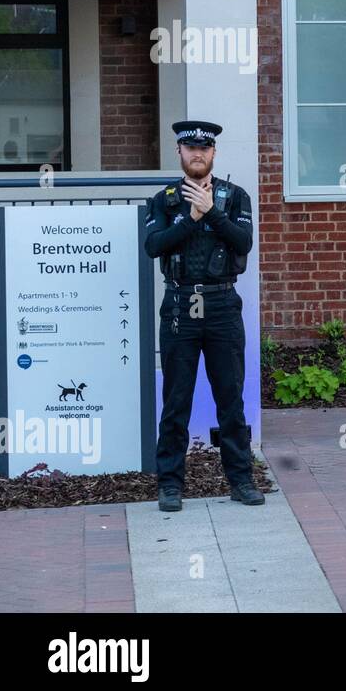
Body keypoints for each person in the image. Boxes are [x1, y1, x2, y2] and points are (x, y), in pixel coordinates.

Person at [144, 121, 263, 512]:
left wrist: (210, 212)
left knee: (230, 398)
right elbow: (153, 246)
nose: (198, 153)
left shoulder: (234, 197)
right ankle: (171, 485)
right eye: (190, 147)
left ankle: (241, 481)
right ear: (179, 153)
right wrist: (189, 218)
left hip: (222, 306)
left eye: (205, 148)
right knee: (176, 399)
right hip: (180, 306)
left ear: (214, 154)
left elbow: (243, 242)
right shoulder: (163, 200)